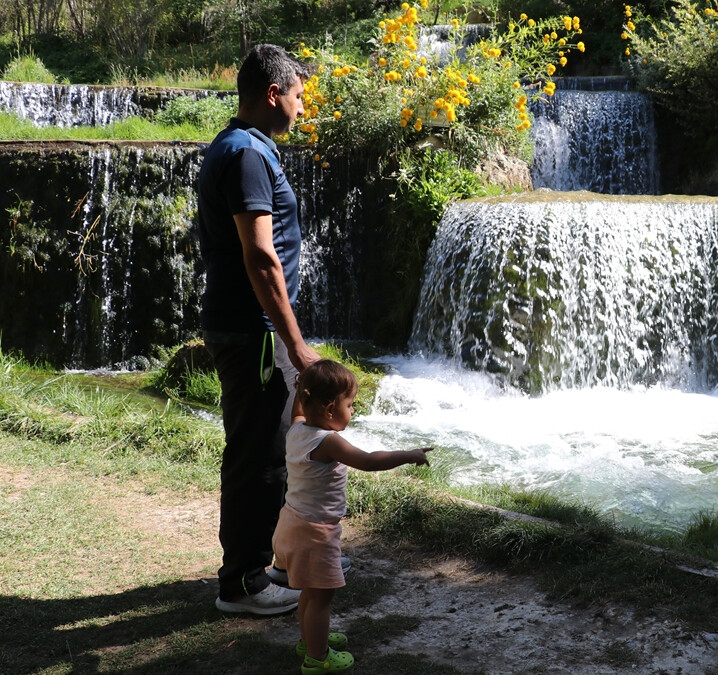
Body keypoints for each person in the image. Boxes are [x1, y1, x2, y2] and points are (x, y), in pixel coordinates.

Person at [197, 43, 322, 614]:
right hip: (255, 333)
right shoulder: (248, 155)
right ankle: (242, 582)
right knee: (261, 455)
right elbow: (261, 257)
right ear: (274, 94)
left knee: (253, 449)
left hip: (246, 328)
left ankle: (250, 564)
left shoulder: (236, 144)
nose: (301, 107)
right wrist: (295, 345)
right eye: (298, 96)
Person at [275, 359, 433, 673]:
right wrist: (410, 455)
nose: (353, 411)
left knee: (309, 589)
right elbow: (370, 461)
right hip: (315, 533)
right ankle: (317, 659)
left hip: (291, 522)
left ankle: (309, 640)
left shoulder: (296, 430)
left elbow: (297, 411)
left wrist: (301, 386)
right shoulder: (328, 442)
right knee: (322, 597)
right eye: (351, 405)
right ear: (331, 409)